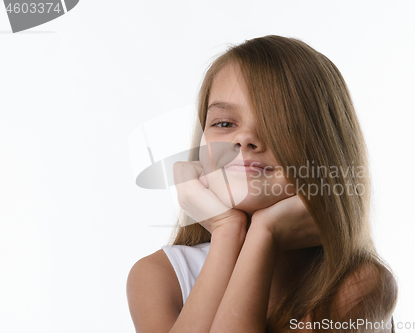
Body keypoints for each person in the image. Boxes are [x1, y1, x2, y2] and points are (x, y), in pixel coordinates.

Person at [126, 35, 398, 333]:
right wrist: (227, 232)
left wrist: (264, 234)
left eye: (278, 124)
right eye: (225, 123)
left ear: (325, 150)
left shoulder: (359, 284)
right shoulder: (158, 276)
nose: (244, 138)